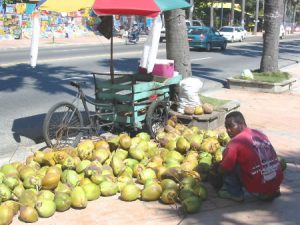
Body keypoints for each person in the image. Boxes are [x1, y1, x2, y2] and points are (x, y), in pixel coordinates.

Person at [213, 111, 283, 202]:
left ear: (242, 124)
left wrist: (215, 171)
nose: (228, 130)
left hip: (259, 185)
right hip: (276, 181)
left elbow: (224, 167)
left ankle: (235, 193)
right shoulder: (259, 133)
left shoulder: (235, 142)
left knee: (228, 164)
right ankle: (270, 190)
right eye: (226, 127)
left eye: (231, 126)